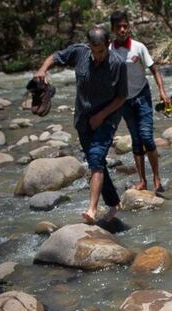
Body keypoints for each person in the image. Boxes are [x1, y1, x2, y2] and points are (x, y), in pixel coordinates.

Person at [34, 26, 127, 225]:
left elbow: (121, 97)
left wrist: (101, 116)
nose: (97, 55)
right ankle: (114, 203)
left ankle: (91, 209)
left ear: (108, 45)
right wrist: (42, 70)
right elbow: (56, 57)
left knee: (96, 159)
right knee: (96, 162)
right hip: (83, 118)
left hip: (107, 119)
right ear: (88, 46)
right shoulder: (80, 52)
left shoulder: (118, 64)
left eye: (101, 51)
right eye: (94, 50)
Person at [110, 10, 171, 193]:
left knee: (147, 138)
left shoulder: (138, 47)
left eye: (125, 26)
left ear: (129, 27)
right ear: (113, 29)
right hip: (124, 100)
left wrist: (162, 92)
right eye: (119, 27)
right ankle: (142, 181)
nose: (122, 30)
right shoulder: (109, 50)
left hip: (142, 96)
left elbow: (154, 70)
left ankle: (156, 178)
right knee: (136, 141)